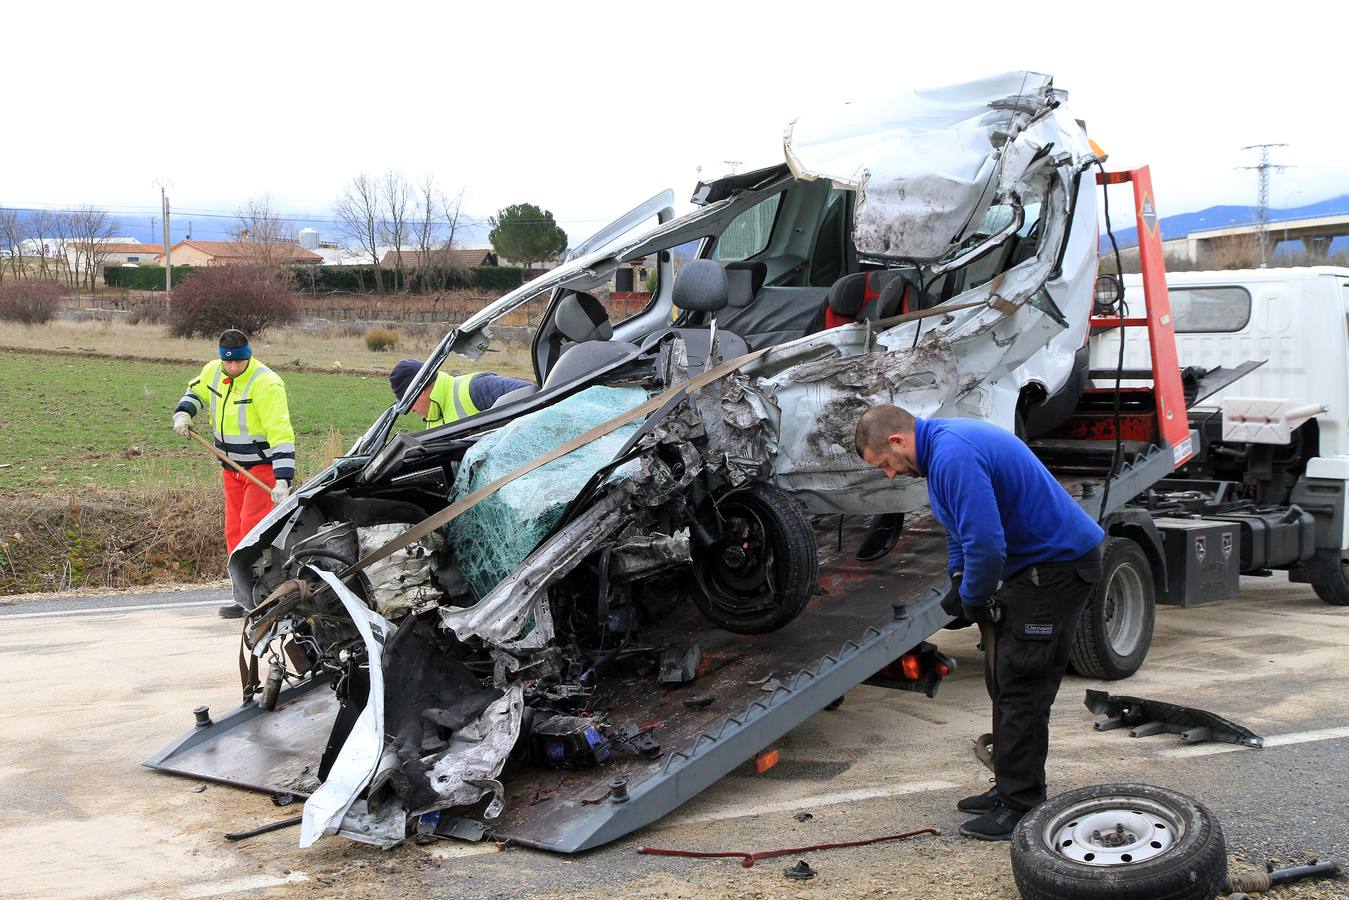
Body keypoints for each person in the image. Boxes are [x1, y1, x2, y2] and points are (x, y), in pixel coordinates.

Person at [853, 403, 1103, 840]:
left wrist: (973, 595)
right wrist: (957, 580)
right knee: (1003, 680)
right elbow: (957, 531)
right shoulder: (938, 458)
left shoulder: (954, 455)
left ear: (897, 440)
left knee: (1022, 682)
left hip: (1056, 568)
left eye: (886, 465)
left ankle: (1020, 805)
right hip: (1031, 569)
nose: (889, 474)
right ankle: (1009, 787)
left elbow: (987, 543)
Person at [173, 329, 296, 619]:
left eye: (238, 363)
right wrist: (184, 412)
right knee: (233, 531)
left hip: (261, 469)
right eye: (227, 362)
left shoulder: (266, 384)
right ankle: (242, 595)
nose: (232, 368)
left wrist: (283, 478)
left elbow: (281, 433)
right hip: (231, 468)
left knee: (252, 531)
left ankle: (261, 596)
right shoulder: (213, 371)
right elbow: (196, 392)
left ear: (248, 356)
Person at [388, 359, 534, 428]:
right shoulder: (433, 420)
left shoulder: (475, 388)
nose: (411, 410)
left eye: (410, 402)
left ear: (422, 391)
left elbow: (535, 395)